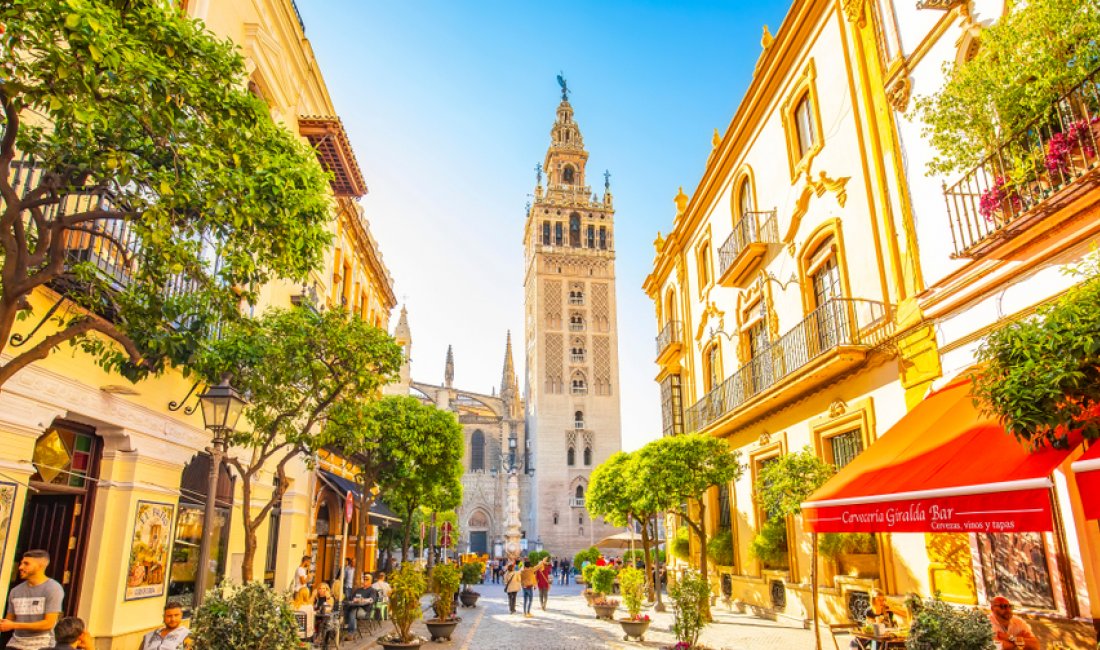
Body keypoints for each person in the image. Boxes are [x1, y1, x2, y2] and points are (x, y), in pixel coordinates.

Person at [1, 549, 65, 650]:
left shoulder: (53, 588)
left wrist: (14, 625)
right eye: (21, 563)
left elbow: (48, 623)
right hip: (16, 643)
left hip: (42, 644)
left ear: (41, 566)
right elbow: (9, 620)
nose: (20, 567)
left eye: (26, 564)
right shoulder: (15, 591)